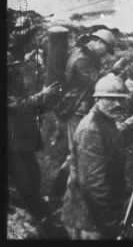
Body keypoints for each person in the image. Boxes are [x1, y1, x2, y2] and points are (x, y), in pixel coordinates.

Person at [61, 73, 133, 240]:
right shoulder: (91, 130)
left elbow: (119, 136)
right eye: (111, 99)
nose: (117, 104)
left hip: (96, 217)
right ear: (97, 99)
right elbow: (94, 185)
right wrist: (112, 223)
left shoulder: (104, 120)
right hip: (88, 221)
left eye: (121, 99)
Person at [48, 27, 119, 208]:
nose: (106, 55)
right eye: (106, 49)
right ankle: (61, 199)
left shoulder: (82, 54)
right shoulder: (82, 60)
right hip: (76, 110)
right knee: (77, 155)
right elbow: (95, 83)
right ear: (97, 42)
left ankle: (58, 197)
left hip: (76, 108)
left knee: (75, 154)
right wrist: (114, 73)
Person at [7, 46, 66, 238]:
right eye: (10, 68)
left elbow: (28, 106)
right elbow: (19, 106)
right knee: (26, 184)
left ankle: (39, 216)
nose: (14, 71)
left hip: (21, 142)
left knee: (33, 178)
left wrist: (44, 98)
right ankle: (37, 218)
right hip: (14, 144)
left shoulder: (12, 83)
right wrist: (43, 95)